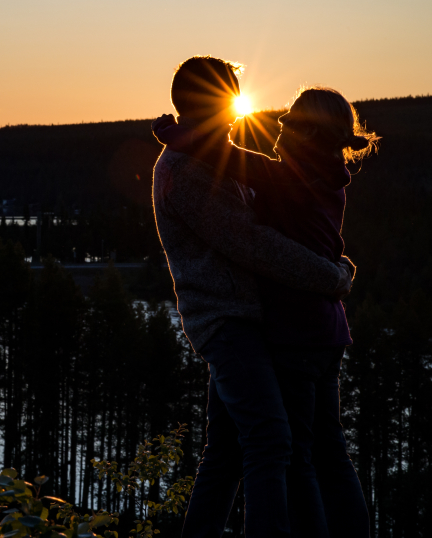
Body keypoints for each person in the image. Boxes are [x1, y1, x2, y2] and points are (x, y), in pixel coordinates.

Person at [154, 86, 377, 537]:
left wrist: (177, 136)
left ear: (308, 131)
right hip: (329, 329)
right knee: (328, 452)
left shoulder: (294, 176)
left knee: (295, 460)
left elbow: (232, 160)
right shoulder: (327, 176)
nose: (276, 128)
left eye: (287, 122)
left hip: (295, 329)